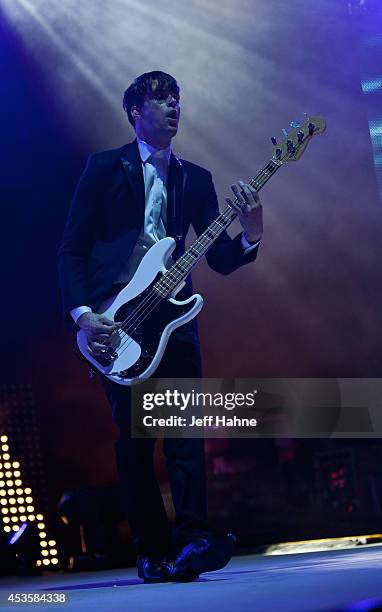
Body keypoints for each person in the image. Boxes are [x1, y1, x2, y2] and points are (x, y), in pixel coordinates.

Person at [58, 70, 263, 583]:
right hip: (118, 321)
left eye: (178, 99)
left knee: (185, 431)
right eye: (161, 99)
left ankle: (193, 539)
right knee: (135, 440)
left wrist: (251, 234)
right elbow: (73, 250)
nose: (174, 106)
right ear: (135, 110)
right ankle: (151, 552)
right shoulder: (105, 168)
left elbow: (216, 258)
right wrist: (84, 318)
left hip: (173, 321)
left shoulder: (196, 178)